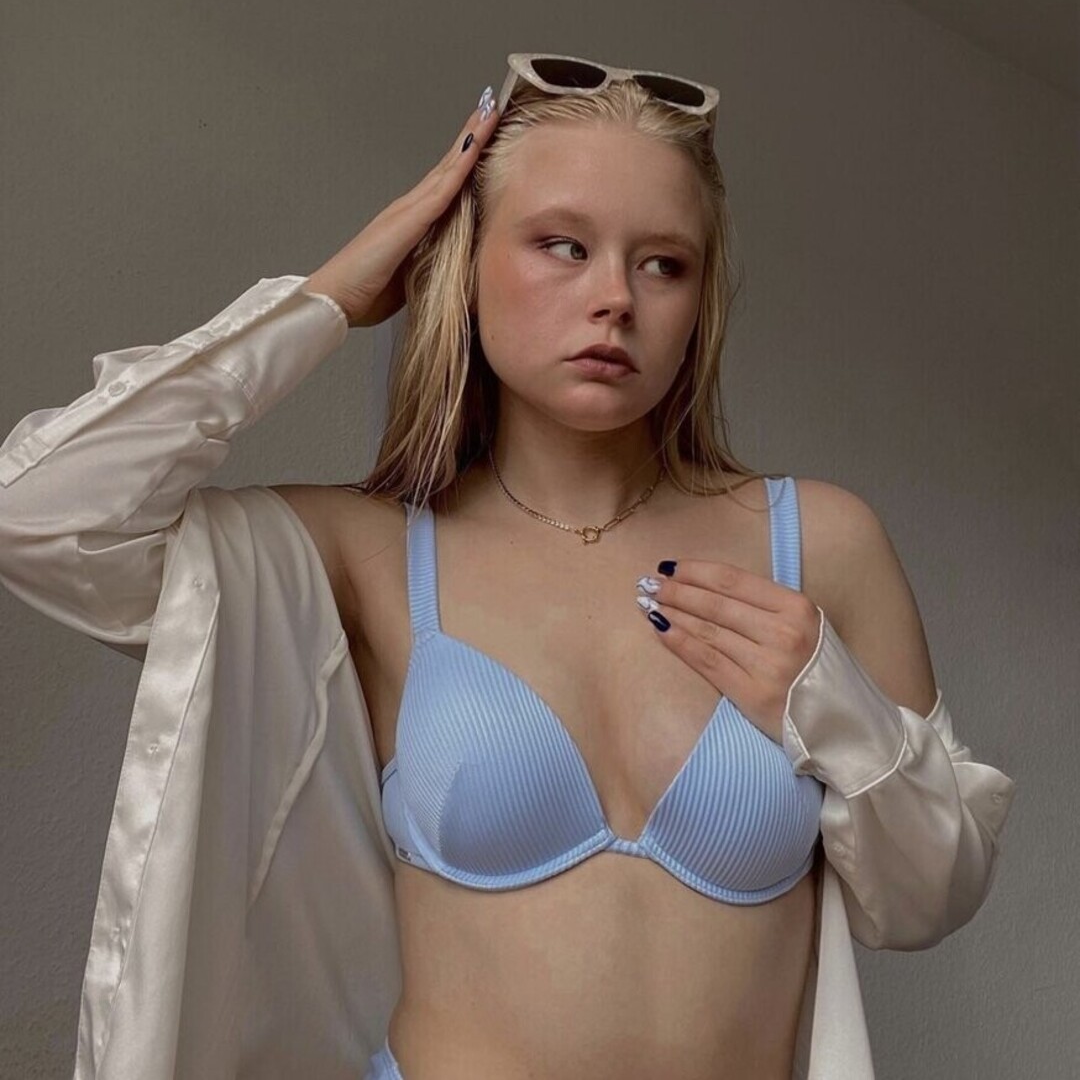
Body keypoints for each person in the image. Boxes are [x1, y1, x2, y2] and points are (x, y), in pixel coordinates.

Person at [0, 53, 1016, 1080]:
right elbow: (40, 516)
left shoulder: (821, 544)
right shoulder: (368, 552)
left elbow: (926, 900)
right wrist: (330, 297)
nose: (614, 298)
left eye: (663, 263)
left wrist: (831, 700)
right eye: (562, 245)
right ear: (464, 261)